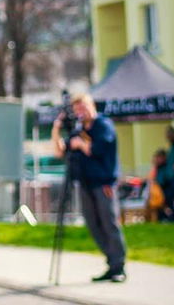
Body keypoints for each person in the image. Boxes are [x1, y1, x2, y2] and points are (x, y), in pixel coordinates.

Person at [52, 93, 127, 283]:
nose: (80, 112)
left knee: (109, 222)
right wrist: (56, 130)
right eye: (77, 109)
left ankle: (119, 265)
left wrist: (81, 144)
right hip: (84, 183)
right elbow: (60, 151)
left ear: (91, 105)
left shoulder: (103, 125)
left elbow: (97, 149)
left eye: (83, 107)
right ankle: (111, 261)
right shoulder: (78, 130)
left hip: (103, 183)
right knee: (92, 224)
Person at [147, 149, 169, 221]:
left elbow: (160, 181)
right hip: (156, 193)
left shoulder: (164, 169)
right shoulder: (156, 169)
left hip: (163, 192)